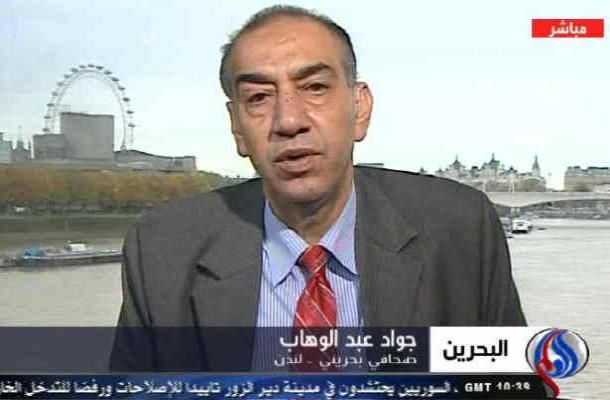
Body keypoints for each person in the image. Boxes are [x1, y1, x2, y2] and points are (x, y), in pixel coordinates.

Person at [111, 5, 525, 371]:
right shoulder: (163, 251)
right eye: (258, 97)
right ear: (237, 127)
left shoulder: (460, 229)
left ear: (359, 109)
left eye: (315, 88)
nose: (289, 121)